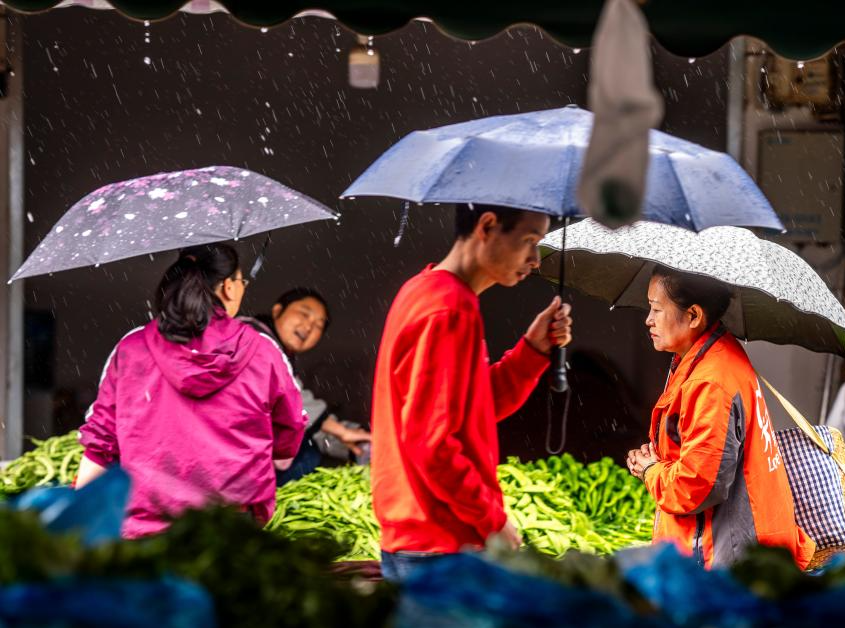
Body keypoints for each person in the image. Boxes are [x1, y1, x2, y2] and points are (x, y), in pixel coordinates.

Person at [372, 204, 573, 583]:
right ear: (488, 226)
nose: (534, 260)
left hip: (420, 539)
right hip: (441, 546)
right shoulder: (450, 309)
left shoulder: (425, 289)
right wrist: (492, 521)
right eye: (529, 241)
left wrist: (532, 350)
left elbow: (475, 409)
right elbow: (431, 446)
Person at [76, 244, 306, 538]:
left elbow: (100, 444)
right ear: (228, 288)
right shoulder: (264, 351)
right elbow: (289, 433)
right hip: (232, 533)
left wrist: (74, 521)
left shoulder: (131, 348)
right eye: (241, 281)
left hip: (145, 534)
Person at [626, 266, 815, 570]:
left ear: (693, 316)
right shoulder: (716, 353)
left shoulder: (710, 381)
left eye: (657, 309)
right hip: (754, 545)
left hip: (729, 560)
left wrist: (651, 471)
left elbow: (697, 486)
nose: (648, 319)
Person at [242, 287, 372, 485]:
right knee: (306, 450)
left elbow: (305, 413)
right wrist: (341, 431)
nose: (309, 326)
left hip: (242, 460)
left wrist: (357, 444)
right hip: (224, 454)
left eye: (319, 325)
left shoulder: (284, 361)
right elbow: (291, 397)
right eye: (304, 314)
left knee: (309, 446)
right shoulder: (250, 335)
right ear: (277, 310)